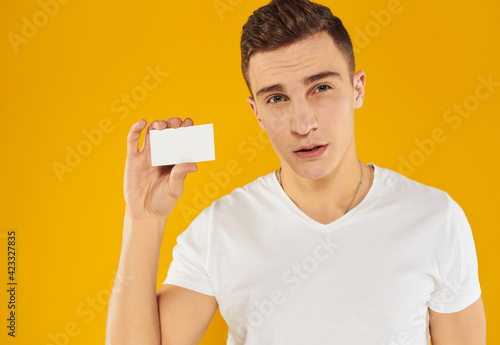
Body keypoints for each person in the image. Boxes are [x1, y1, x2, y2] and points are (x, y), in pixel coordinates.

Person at [105, 0, 486, 344]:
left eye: (320, 87)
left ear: (357, 89)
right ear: (256, 112)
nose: (302, 124)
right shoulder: (219, 230)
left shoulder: (436, 219)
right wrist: (144, 221)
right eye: (277, 98)